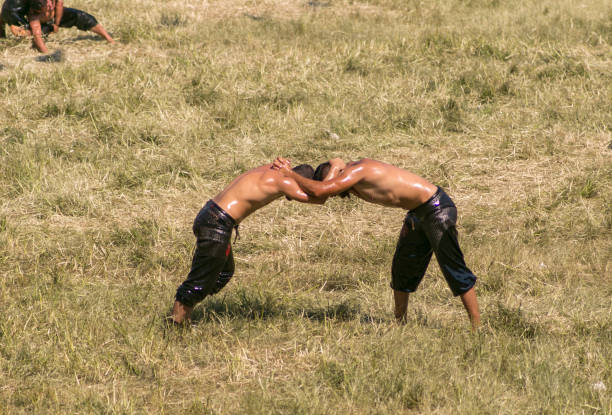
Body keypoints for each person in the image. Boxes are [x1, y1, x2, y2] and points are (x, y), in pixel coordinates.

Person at [274, 157, 481, 329]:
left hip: (436, 208)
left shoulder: (357, 170)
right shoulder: (347, 174)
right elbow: (321, 195)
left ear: (336, 173)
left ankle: (477, 328)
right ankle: (400, 325)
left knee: (453, 269)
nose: (337, 193)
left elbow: (321, 191)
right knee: (402, 268)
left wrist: (290, 174)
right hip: (418, 212)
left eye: (335, 186)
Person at [170, 163, 327, 325]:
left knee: (224, 272)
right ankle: (176, 325)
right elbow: (319, 196)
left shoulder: (272, 167)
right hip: (217, 223)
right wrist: (335, 170)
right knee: (199, 282)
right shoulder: (286, 181)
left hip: (209, 214)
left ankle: (188, 310)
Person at [0, 0, 114, 53]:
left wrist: (56, 23)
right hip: (14, 10)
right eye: (46, 3)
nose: (49, 5)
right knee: (25, 32)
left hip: (49, 16)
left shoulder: (54, 5)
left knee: (82, 17)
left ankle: (108, 38)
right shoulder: (34, 13)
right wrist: (46, 52)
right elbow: (37, 34)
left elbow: (60, 3)